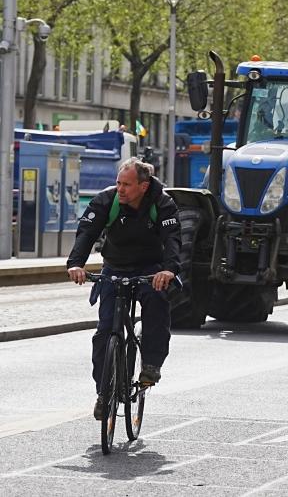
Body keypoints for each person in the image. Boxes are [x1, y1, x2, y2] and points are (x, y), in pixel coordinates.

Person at [66, 157, 181, 420]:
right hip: (115, 267)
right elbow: (86, 233)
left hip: (150, 269)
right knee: (104, 331)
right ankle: (103, 392)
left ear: (143, 186)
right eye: (118, 183)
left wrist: (169, 270)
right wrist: (76, 264)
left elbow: (173, 241)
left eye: (126, 185)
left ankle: (151, 364)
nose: (120, 189)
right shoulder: (107, 200)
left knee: (157, 304)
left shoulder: (162, 203)